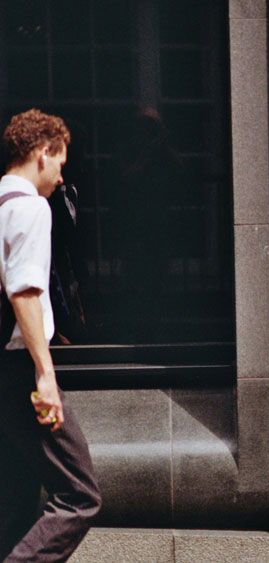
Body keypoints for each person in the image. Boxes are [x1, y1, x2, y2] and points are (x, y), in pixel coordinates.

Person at [0, 109, 101, 562]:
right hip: (19, 369)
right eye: (60, 163)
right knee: (80, 495)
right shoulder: (30, 207)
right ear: (43, 153)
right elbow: (24, 292)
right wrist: (45, 375)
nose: (62, 178)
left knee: (17, 498)